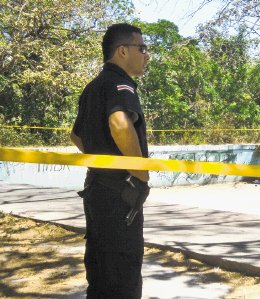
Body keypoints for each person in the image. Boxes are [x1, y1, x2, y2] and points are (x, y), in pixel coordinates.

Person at [70, 23, 150, 298]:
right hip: (119, 196)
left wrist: (103, 163)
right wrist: (140, 173)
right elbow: (119, 122)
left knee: (100, 273)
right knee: (123, 278)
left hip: (96, 189)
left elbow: (76, 136)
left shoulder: (93, 87)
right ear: (122, 51)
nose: (146, 54)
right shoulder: (121, 84)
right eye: (141, 48)